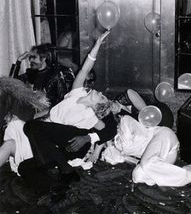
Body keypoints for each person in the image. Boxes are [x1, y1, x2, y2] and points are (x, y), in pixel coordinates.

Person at [17, 31, 118, 198]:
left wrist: (88, 138)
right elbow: (86, 67)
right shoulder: (76, 92)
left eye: (101, 96)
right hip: (53, 143)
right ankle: (53, 187)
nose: (99, 91)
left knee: (32, 126)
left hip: (73, 142)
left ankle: (62, 168)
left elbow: (110, 130)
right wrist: (97, 44)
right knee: (24, 166)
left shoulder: (91, 116)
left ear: (98, 105)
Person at [102, 114, 191, 191]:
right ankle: (188, 170)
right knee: (137, 176)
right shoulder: (113, 146)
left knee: (146, 164)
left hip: (163, 137)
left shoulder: (125, 121)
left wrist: (116, 147)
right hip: (162, 158)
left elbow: (130, 145)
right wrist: (110, 146)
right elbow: (123, 159)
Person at [9, 43, 75, 107]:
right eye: (30, 57)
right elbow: (10, 85)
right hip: (33, 111)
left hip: (50, 113)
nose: (30, 60)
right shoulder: (30, 74)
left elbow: (64, 100)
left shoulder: (57, 74)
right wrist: (18, 61)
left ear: (43, 58)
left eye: (34, 57)